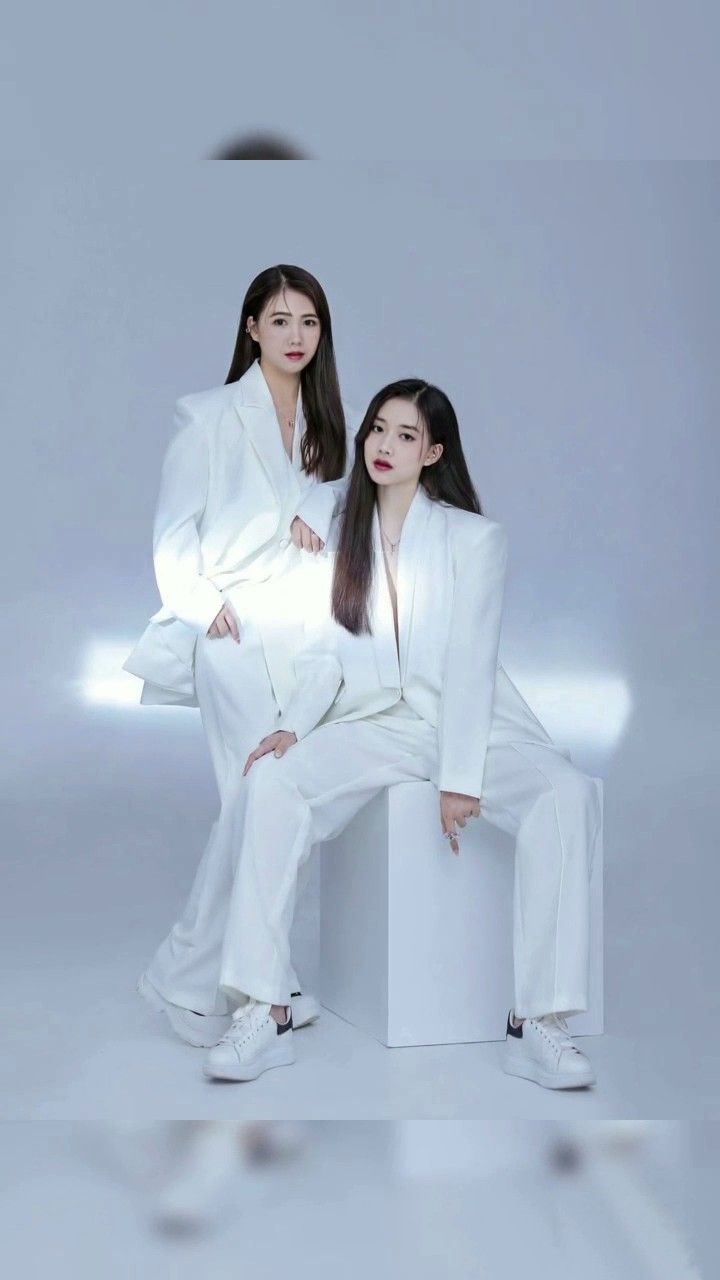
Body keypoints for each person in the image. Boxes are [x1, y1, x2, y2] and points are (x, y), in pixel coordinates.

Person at [201, 379, 602, 1090]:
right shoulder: (342, 530)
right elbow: (329, 650)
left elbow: (472, 659)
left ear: (434, 451)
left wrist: (458, 779)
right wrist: (291, 727)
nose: (385, 445)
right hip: (374, 724)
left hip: (465, 726)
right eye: (378, 429)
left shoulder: (474, 539)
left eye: (406, 435)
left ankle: (538, 1023)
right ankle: (265, 1010)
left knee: (566, 794)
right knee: (272, 783)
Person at [125, 264, 358, 1047]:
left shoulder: (328, 426)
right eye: (281, 320)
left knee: (271, 801)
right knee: (259, 793)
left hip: (301, 633)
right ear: (251, 327)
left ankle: (263, 977)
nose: (296, 336)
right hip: (231, 632)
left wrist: (315, 527)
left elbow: (332, 525)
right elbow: (172, 534)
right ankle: (192, 981)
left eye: (310, 323)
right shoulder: (210, 416)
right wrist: (204, 604)